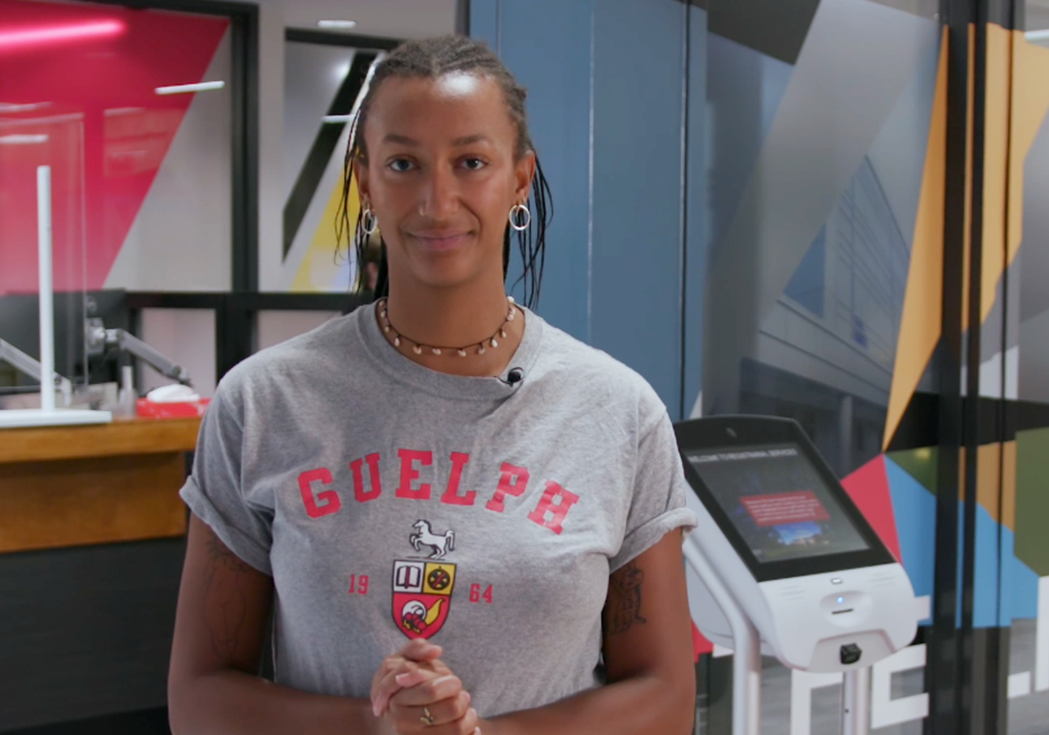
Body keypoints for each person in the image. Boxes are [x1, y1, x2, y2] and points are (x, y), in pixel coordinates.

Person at [168, 36, 698, 735]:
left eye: (470, 163)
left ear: (519, 179)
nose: (437, 200)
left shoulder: (618, 412)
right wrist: (378, 726)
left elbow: (665, 697)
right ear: (365, 181)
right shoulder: (263, 402)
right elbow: (199, 699)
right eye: (403, 164)